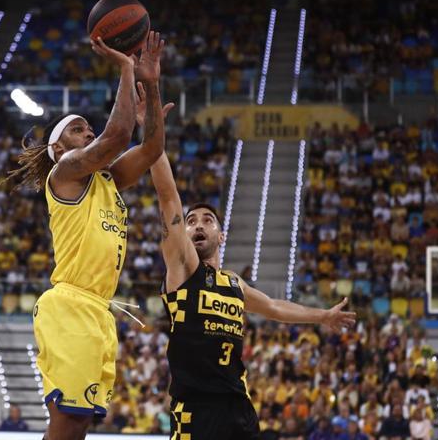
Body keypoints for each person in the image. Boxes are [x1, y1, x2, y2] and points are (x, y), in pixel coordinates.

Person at [5, 31, 168, 440]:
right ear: (59, 150)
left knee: (80, 422)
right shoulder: (65, 174)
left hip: (98, 309)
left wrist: (150, 83)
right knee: (65, 421)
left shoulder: (107, 179)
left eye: (86, 127)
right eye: (78, 130)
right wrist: (127, 70)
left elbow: (151, 150)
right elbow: (117, 138)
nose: (88, 132)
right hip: (71, 304)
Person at [148, 145, 356, 440]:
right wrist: (155, 143)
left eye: (207, 220)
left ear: (221, 236)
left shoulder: (234, 283)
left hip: (238, 406)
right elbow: (168, 198)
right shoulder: (183, 271)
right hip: (197, 406)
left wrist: (322, 315)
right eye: (191, 221)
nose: (197, 225)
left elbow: (274, 307)